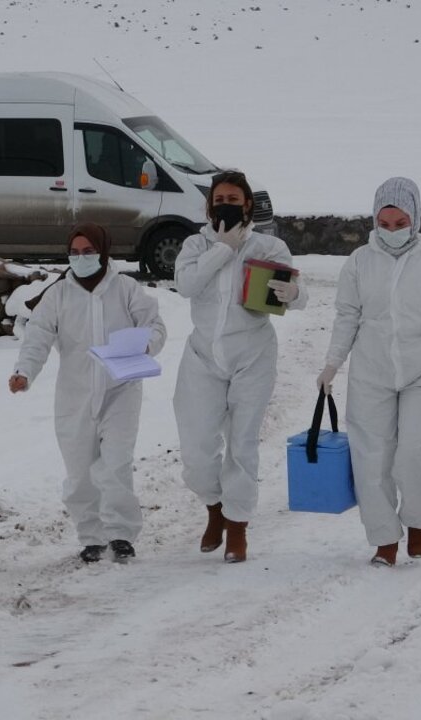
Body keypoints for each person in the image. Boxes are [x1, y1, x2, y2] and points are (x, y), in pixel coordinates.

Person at [316, 177, 421, 567]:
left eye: (399, 222)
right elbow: (347, 316)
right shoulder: (359, 261)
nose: (391, 231)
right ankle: (384, 539)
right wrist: (332, 362)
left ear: (415, 219)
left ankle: (418, 522)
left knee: (414, 451)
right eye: (383, 224)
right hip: (372, 373)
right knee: (371, 457)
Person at [10, 222, 167, 563]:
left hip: (120, 389)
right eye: (75, 253)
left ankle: (121, 534)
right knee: (80, 470)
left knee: (116, 464)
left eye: (89, 252)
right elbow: (38, 336)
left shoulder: (125, 289)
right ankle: (91, 536)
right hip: (75, 394)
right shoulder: (59, 294)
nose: (81, 258)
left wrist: (144, 347)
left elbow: (153, 325)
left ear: (103, 251)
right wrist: (24, 371)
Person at [173, 170, 308, 563]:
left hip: (253, 356)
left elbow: (291, 295)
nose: (226, 205)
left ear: (247, 203)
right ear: (209, 203)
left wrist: (294, 293)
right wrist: (223, 249)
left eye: (234, 199)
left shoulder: (270, 246)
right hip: (202, 357)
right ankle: (214, 508)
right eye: (220, 199)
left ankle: (237, 525)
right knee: (197, 448)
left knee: (243, 443)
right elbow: (187, 286)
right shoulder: (195, 244)